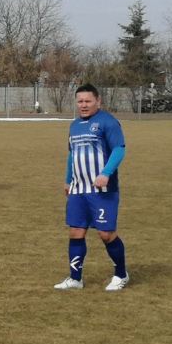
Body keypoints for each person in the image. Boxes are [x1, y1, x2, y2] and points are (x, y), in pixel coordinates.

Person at [56, 83, 129, 291]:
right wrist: (68, 180)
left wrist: (106, 173)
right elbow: (72, 154)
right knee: (76, 232)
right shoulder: (74, 125)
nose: (84, 105)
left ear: (98, 101)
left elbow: (119, 149)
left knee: (106, 234)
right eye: (80, 101)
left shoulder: (108, 122)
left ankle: (121, 275)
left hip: (102, 191)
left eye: (88, 101)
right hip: (79, 189)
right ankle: (75, 279)